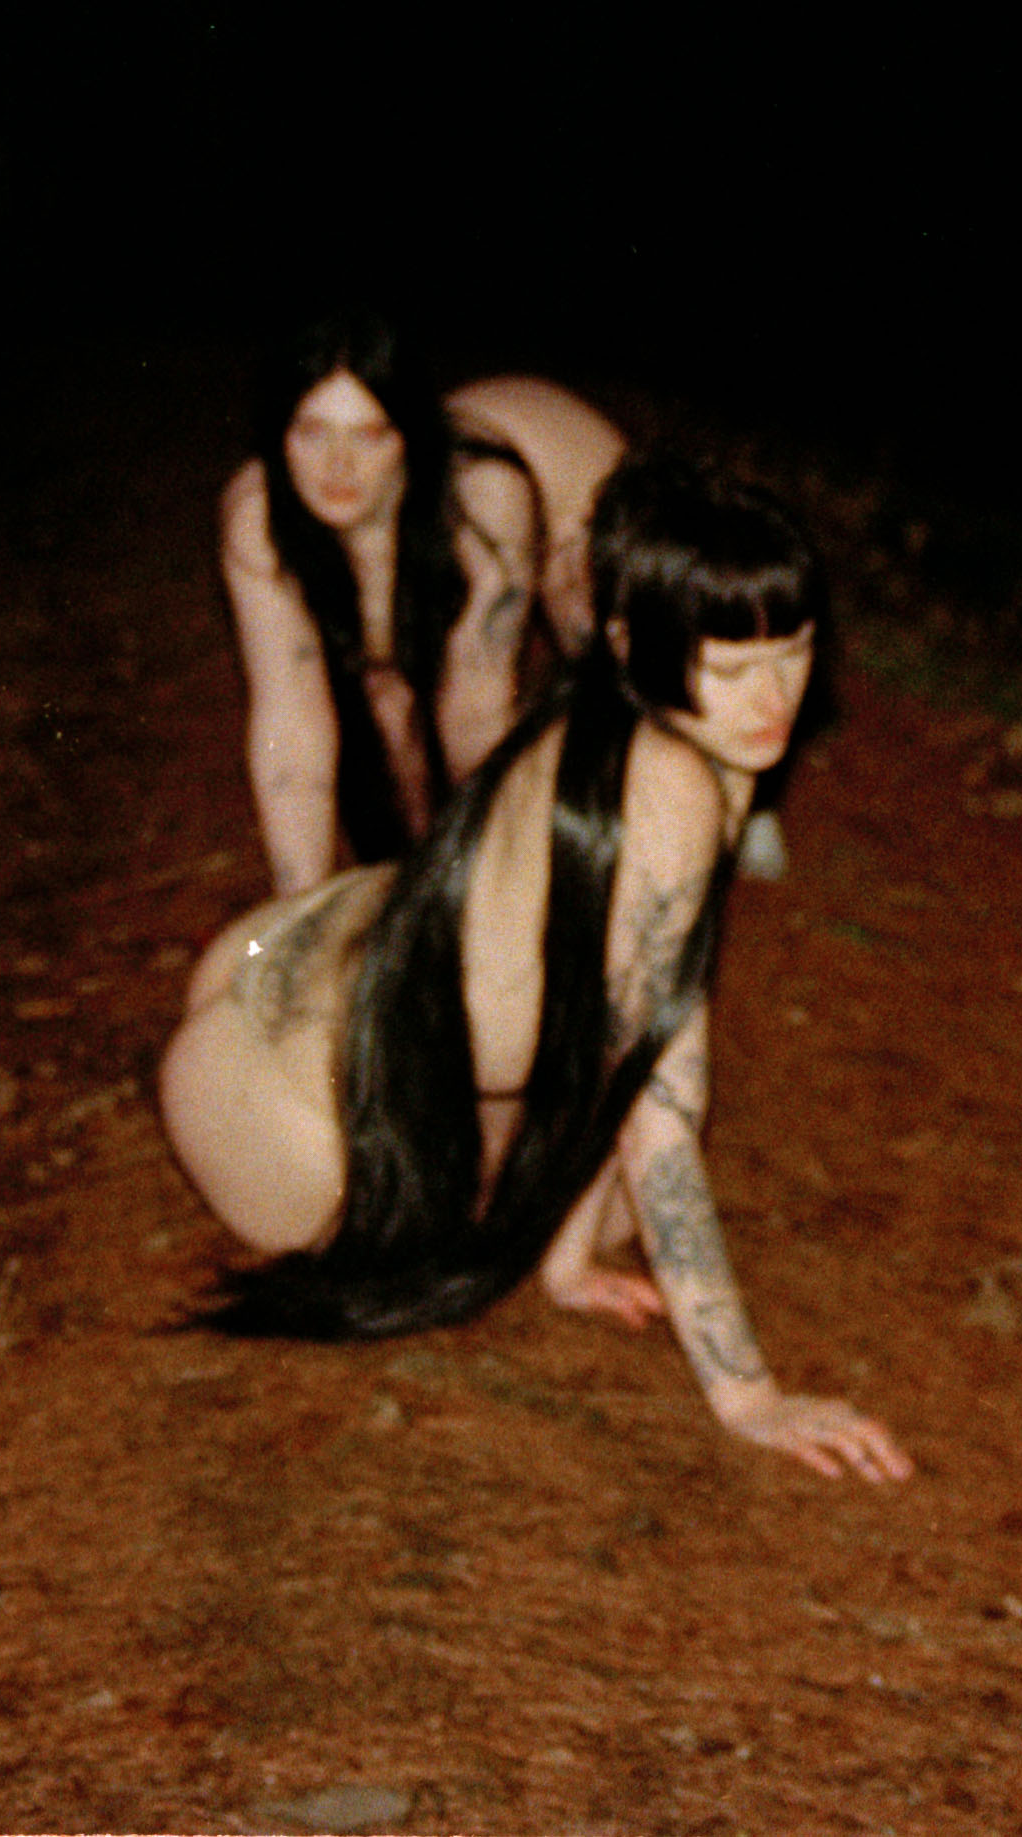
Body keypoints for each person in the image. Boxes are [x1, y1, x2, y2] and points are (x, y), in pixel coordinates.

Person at [158, 454, 910, 1484]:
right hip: (274, 1109)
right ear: (632, 641)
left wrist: (566, 1256)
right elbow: (657, 1104)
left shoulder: (613, 705)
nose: (771, 698)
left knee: (568, 1179)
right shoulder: (674, 787)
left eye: (795, 651)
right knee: (547, 1193)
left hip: (275, 951)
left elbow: (607, 1031)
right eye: (732, 669)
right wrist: (749, 1394)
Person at [218, 317, 628, 895]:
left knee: (591, 639)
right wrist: (302, 907)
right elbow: (289, 720)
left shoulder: (482, 501)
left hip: (582, 504)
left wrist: (490, 883)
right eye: (312, 433)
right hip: (435, 530)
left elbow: (477, 708)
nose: (338, 467)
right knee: (388, 707)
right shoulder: (256, 517)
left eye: (370, 434)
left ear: (408, 438)